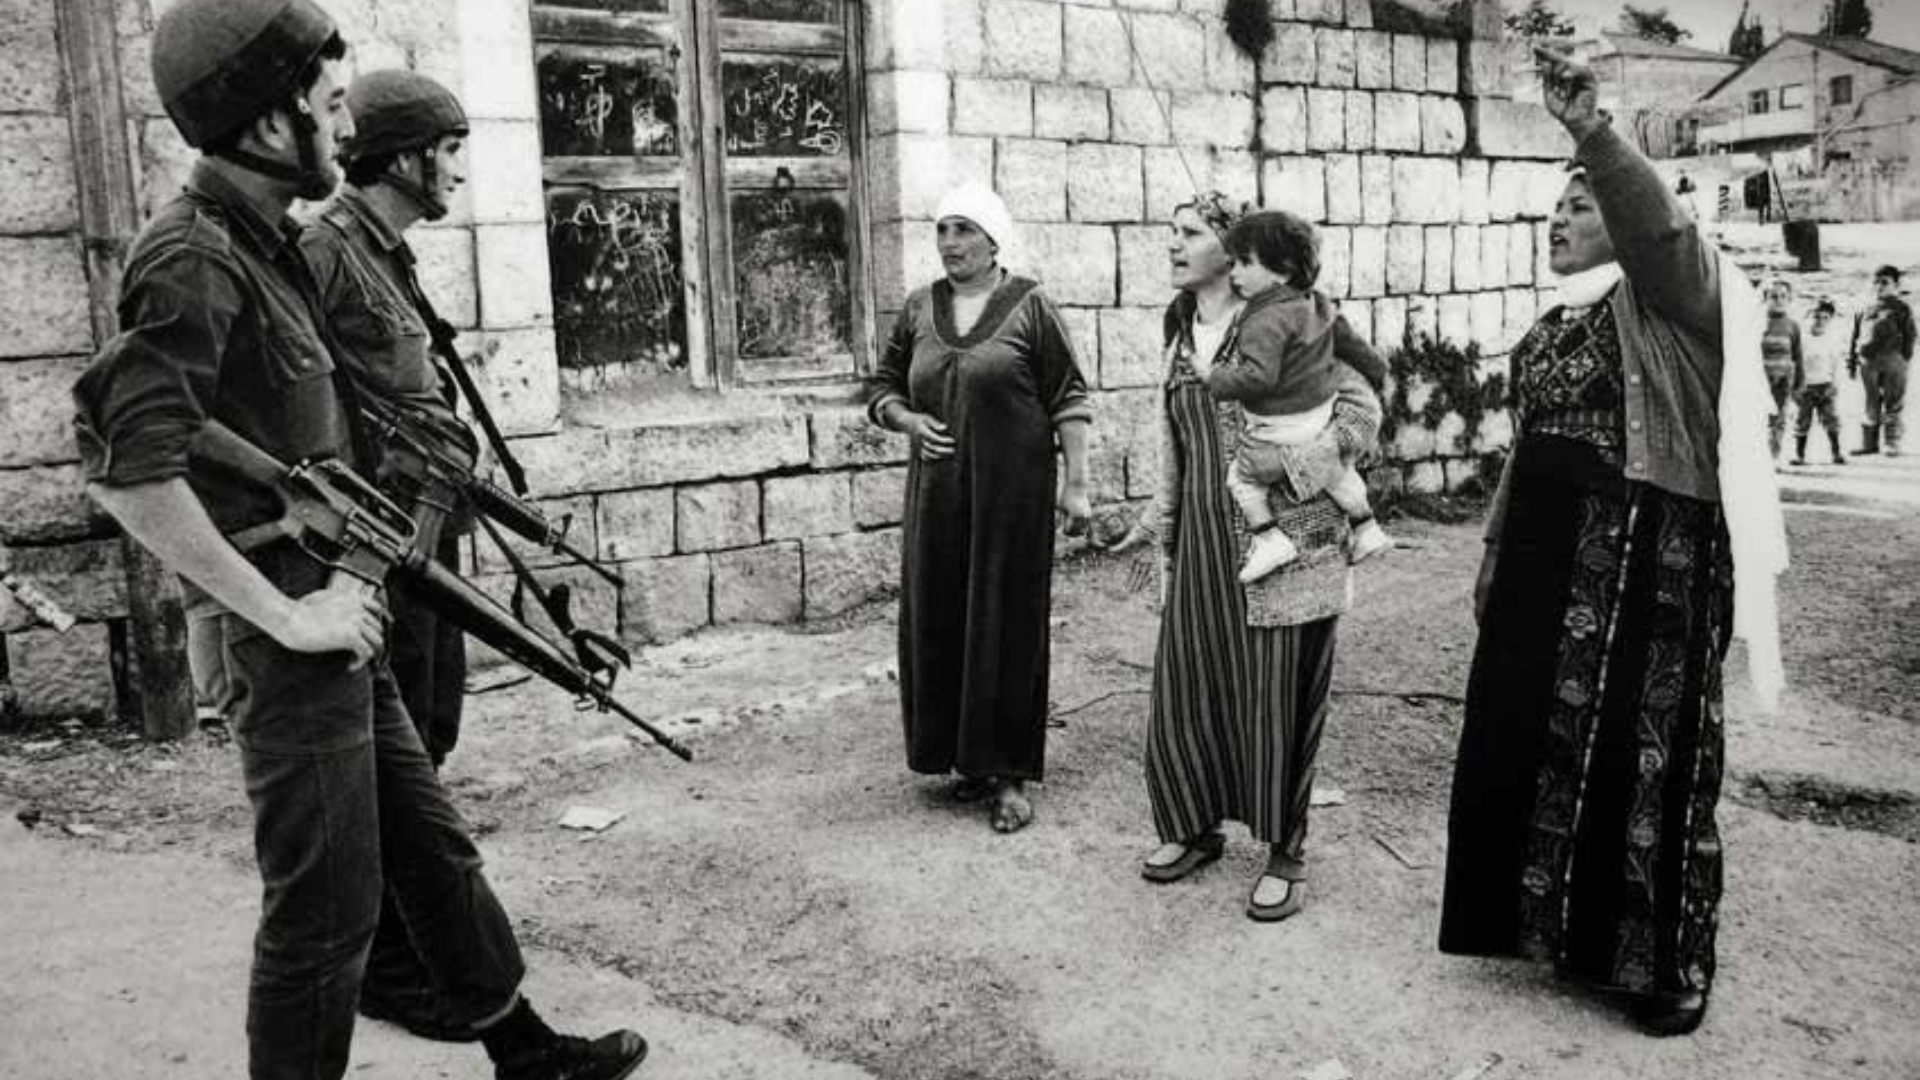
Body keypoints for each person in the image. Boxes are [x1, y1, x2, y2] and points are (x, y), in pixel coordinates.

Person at [69, 2, 648, 1077]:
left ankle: (524, 1053)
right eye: (332, 106)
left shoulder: (271, 246)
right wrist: (283, 612)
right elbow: (124, 468)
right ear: (270, 117)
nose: (349, 128)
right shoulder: (191, 258)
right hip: (292, 637)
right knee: (322, 919)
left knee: (430, 849)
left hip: (346, 617)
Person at [1439, 46, 1787, 1038]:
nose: (1561, 219)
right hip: (1550, 563)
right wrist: (1496, 556)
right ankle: (1561, 930)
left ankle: (1664, 961)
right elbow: (1526, 455)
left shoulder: (1677, 295)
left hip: (1651, 559)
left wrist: (1595, 135)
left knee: (1650, 754)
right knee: (1539, 742)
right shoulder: (1548, 326)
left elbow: (1663, 233)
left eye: (1581, 207)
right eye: (1554, 210)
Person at [1108, 191, 1386, 922]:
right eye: (1172, 230)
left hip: (1286, 548)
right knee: (1192, 685)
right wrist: (1156, 526)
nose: (1172, 244)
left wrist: (1295, 471)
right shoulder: (1180, 330)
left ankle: (1286, 852)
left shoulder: (1298, 320)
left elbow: (1364, 411)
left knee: (1278, 698)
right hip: (1202, 547)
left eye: (1189, 233)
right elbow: (1175, 439)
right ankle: (1194, 826)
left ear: (1233, 256)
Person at [297, 68, 484, 1043]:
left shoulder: (388, 253)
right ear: (404, 156)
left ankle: (410, 947)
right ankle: (390, 970)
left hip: (424, 536)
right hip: (377, 546)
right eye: (448, 149)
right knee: (391, 755)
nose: (458, 170)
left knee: (431, 734)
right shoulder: (325, 252)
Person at [866, 183, 1093, 834]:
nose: (950, 243)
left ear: (994, 239)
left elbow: (1069, 398)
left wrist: (1075, 486)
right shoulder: (919, 308)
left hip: (1012, 498)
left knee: (1005, 623)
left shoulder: (1030, 306)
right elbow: (881, 387)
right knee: (940, 617)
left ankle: (1010, 776)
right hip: (937, 497)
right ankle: (962, 759)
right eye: (942, 231)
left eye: (964, 230)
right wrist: (907, 421)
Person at [1210, 209, 1392, 582]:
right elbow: (1359, 351)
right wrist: (1378, 373)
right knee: (1335, 472)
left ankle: (1269, 538)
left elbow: (1258, 378)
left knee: (1240, 479)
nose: (1234, 273)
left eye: (1244, 263)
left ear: (1283, 268)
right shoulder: (1320, 305)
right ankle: (1367, 527)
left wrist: (1214, 378)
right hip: (1319, 416)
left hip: (1281, 426)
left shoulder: (1264, 319)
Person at [1850, 264, 1915, 456]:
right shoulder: (1864, 308)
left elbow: (1910, 335)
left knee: (1893, 402)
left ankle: (1891, 442)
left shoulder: (1902, 308)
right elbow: (1855, 335)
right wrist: (1853, 362)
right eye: (1876, 282)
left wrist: (1904, 359)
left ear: (1896, 284)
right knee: (1870, 402)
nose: (1879, 286)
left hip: (1893, 362)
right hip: (1868, 363)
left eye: (1885, 282)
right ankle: (1869, 443)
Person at [1792, 297, 1848, 466]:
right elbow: (1795, 363)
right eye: (1817, 316)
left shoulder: (1833, 340)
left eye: (1825, 318)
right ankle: (1799, 454)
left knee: (1831, 419)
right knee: (1802, 421)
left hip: (1825, 386)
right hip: (1805, 386)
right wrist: (1795, 387)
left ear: (1830, 320)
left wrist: (1835, 384)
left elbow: (1837, 365)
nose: (1820, 321)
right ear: (1810, 316)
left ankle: (1836, 452)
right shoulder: (1802, 339)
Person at [1760, 278, 1803, 462]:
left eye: (1783, 296)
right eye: (1774, 296)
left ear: (1789, 299)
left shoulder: (1792, 326)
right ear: (1766, 298)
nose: (1778, 300)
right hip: (1760, 379)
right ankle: (1757, 456)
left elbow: (1797, 355)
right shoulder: (1759, 323)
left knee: (1779, 418)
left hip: (1784, 379)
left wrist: (1800, 383)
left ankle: (1773, 457)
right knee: (1759, 418)